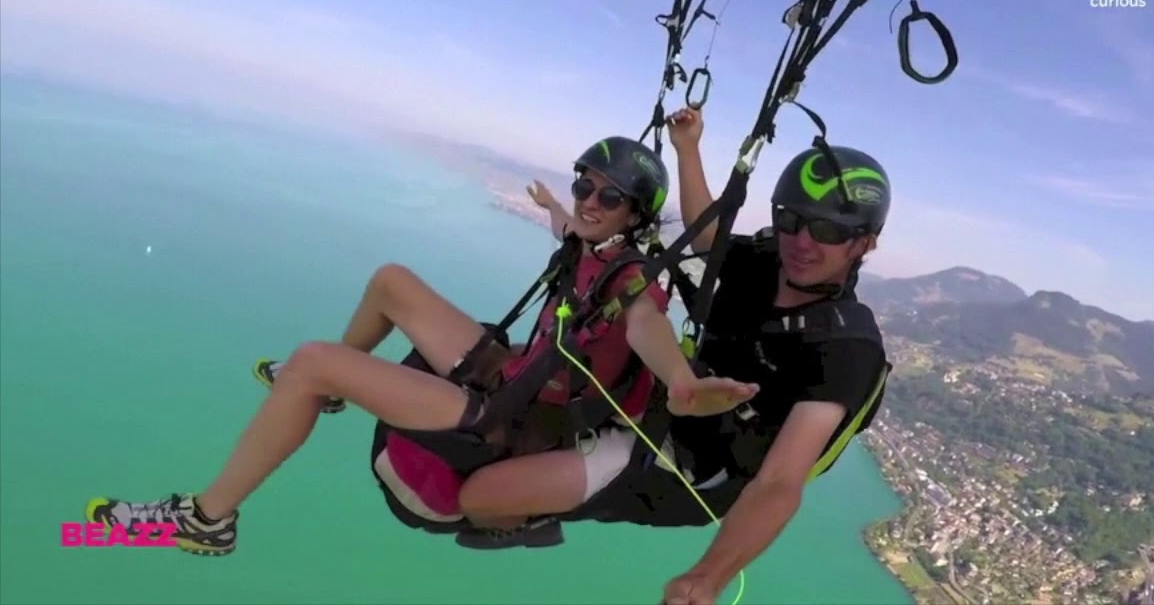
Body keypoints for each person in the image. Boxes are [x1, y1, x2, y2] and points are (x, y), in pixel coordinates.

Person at [83, 135, 759, 556]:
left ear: (637, 218)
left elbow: (647, 325)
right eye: (585, 182)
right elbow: (568, 227)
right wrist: (555, 203)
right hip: (516, 376)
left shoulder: (636, 280)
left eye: (608, 197)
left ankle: (207, 519)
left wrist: (680, 381)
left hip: (522, 422)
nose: (590, 201)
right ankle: (320, 396)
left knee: (318, 360)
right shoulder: (591, 241)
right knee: (391, 282)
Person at [448, 109, 894, 605]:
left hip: (688, 470)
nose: (803, 242)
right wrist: (688, 149)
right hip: (662, 395)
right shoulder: (768, 263)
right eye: (790, 219)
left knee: (480, 496)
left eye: (829, 232)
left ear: (866, 244)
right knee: (511, 365)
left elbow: (780, 482)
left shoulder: (846, 351)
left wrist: (708, 577)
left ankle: (530, 515)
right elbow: (707, 237)